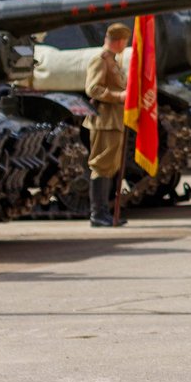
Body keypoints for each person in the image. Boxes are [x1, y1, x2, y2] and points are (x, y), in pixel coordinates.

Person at [85, 23, 130, 228]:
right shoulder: (100, 59)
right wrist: (118, 96)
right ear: (119, 41)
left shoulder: (113, 60)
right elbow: (93, 89)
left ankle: (105, 211)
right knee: (101, 164)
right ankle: (98, 213)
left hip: (114, 120)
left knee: (110, 166)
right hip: (104, 120)